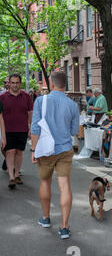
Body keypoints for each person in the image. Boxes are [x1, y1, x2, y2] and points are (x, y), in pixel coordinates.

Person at [30, 71, 79, 240]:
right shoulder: (73, 105)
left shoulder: (40, 101)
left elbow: (35, 128)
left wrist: (33, 150)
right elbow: (74, 131)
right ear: (65, 85)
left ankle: (45, 218)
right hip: (65, 149)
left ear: (51, 84)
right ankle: (64, 227)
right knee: (64, 185)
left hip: (45, 150)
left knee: (45, 182)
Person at [0, 74, 33, 188]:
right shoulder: (2, 97)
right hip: (8, 130)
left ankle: (17, 173)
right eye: (12, 82)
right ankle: (11, 178)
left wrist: (30, 126)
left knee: (19, 152)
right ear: (9, 83)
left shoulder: (27, 96)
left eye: (17, 82)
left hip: (22, 129)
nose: (15, 85)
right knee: (10, 152)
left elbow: (30, 113)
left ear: (20, 83)